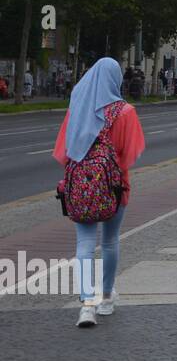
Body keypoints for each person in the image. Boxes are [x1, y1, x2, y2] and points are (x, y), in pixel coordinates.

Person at [53, 58, 146, 328]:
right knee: (109, 242)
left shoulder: (77, 108)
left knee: (84, 245)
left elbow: (65, 152)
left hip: (81, 188)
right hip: (115, 187)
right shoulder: (124, 112)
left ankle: (86, 304)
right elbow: (130, 155)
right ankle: (106, 298)